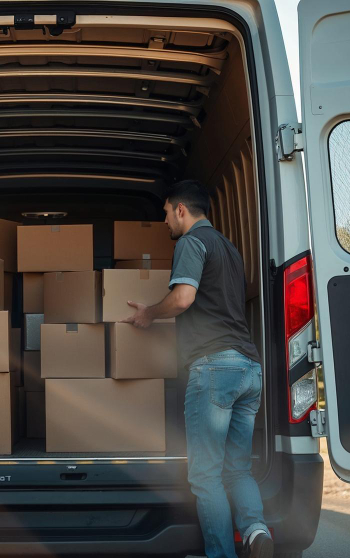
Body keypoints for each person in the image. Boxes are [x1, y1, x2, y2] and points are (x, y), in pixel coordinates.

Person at [123, 180, 272, 558]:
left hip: (214, 369)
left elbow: (184, 297)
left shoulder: (191, 242)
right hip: (249, 368)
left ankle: (221, 554)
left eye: (166, 214)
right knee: (237, 469)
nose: (165, 223)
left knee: (205, 476)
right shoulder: (229, 248)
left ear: (180, 210)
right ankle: (256, 532)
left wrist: (149, 313)